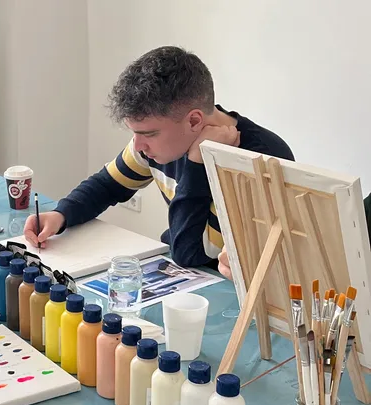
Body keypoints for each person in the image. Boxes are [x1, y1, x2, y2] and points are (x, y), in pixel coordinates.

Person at [24, 46, 294, 269]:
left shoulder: (259, 159)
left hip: (226, 289)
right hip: (182, 271)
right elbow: (108, 184)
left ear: (195, 120)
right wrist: (61, 214)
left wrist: (197, 161)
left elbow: (193, 255)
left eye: (149, 134)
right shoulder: (161, 142)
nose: (139, 146)